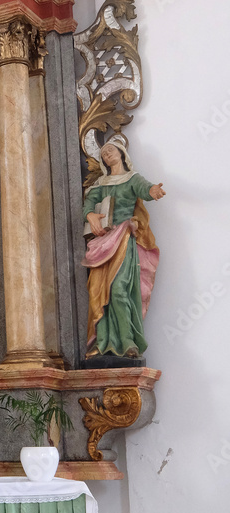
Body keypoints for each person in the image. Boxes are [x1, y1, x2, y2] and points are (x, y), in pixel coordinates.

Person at [83, 136, 165, 359]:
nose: (107, 155)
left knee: (119, 289)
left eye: (110, 151)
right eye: (103, 154)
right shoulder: (101, 183)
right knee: (97, 291)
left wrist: (153, 191)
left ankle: (128, 341)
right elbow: (89, 204)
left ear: (121, 153)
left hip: (122, 238)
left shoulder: (131, 179)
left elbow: (144, 188)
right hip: (102, 241)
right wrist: (90, 215)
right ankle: (102, 341)